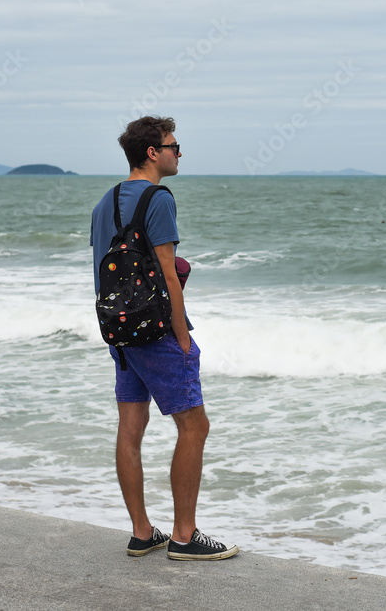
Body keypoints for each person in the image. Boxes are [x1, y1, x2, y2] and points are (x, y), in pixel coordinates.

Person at [90, 116, 238, 561]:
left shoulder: (105, 201)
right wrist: (182, 337)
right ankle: (184, 536)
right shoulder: (158, 198)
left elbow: (102, 266)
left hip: (119, 330)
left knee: (130, 429)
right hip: (155, 332)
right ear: (152, 153)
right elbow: (170, 273)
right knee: (195, 425)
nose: (178, 153)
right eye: (174, 145)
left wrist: (117, 329)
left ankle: (141, 533)